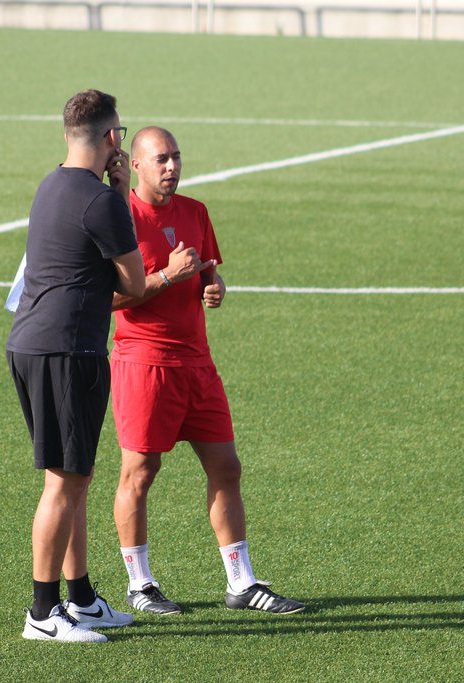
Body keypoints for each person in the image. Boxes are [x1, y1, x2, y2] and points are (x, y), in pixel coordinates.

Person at [110, 127, 305, 615]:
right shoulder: (121, 217)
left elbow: (208, 274)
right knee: (140, 472)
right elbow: (106, 298)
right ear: (137, 164)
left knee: (226, 467)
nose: (172, 167)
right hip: (144, 363)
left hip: (197, 363)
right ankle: (139, 585)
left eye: (176, 157)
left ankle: (241, 583)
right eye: (161, 159)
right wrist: (166, 276)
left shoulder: (195, 212)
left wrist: (213, 289)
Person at [6, 89, 146, 643]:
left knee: (74, 477)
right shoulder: (102, 202)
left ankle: (82, 600)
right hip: (67, 352)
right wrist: (120, 195)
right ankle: (43, 613)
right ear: (112, 138)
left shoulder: (50, 185)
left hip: (34, 345)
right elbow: (135, 283)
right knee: (63, 484)